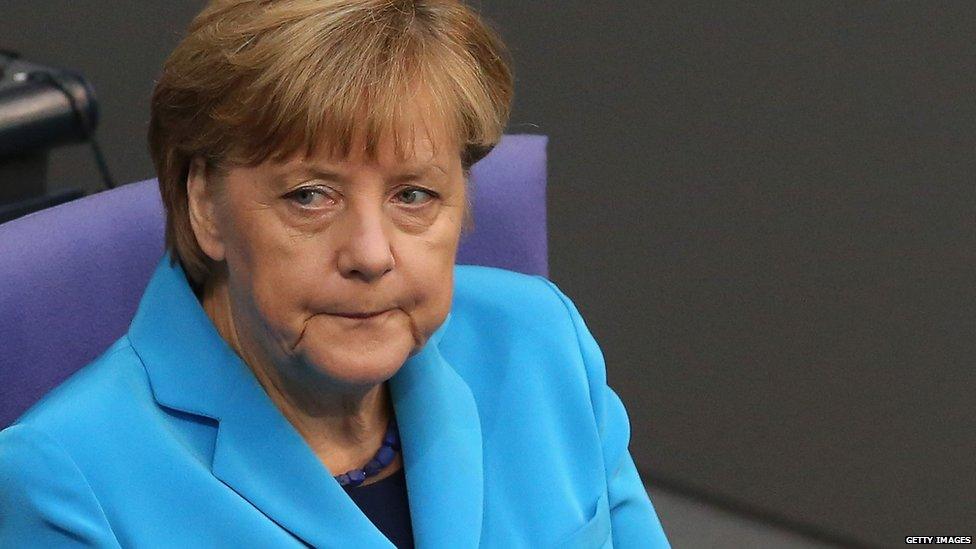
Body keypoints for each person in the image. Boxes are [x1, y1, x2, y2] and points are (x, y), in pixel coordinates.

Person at [0, 1, 670, 547]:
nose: (371, 254)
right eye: (311, 196)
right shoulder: (66, 481)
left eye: (414, 195)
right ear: (206, 204)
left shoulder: (543, 342)